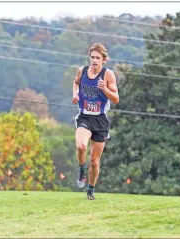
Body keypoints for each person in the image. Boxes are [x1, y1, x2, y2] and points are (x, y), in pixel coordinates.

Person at [72, 43, 119, 200]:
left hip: (100, 120)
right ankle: (81, 170)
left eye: (98, 58)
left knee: (94, 161)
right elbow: (76, 82)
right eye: (92, 57)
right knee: (81, 145)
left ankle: (91, 190)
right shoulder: (82, 71)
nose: (94, 60)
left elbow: (116, 99)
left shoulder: (108, 75)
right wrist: (75, 94)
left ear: (104, 60)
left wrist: (104, 89)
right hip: (85, 116)